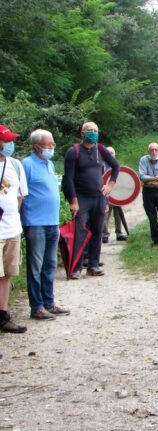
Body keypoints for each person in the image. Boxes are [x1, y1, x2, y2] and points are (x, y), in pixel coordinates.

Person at [21, 129, 70, 321]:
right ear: (36, 146)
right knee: (35, 266)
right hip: (35, 223)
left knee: (50, 264)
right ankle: (37, 306)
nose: (51, 147)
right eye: (48, 144)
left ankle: (49, 302)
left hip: (52, 221)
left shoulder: (49, 164)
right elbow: (21, 193)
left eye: (53, 144)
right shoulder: (26, 165)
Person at [62, 121, 119, 279]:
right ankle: (76, 267)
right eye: (89, 130)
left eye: (95, 130)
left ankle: (93, 265)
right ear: (82, 133)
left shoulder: (100, 149)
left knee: (97, 232)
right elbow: (68, 179)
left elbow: (116, 166)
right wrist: (73, 201)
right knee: (80, 232)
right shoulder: (74, 152)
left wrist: (110, 186)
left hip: (98, 198)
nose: (92, 133)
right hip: (81, 198)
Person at [0, 124, 29, 333]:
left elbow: (20, 195)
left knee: (7, 274)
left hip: (12, 229)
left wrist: (14, 218)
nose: (10, 144)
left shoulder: (15, 165)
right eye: (6, 141)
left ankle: (3, 315)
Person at [102, 146, 127, 243]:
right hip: (106, 195)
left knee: (118, 214)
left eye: (112, 153)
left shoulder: (117, 165)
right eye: (108, 152)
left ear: (115, 154)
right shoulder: (101, 165)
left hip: (118, 195)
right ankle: (104, 234)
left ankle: (119, 233)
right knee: (105, 215)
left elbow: (123, 179)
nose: (110, 154)